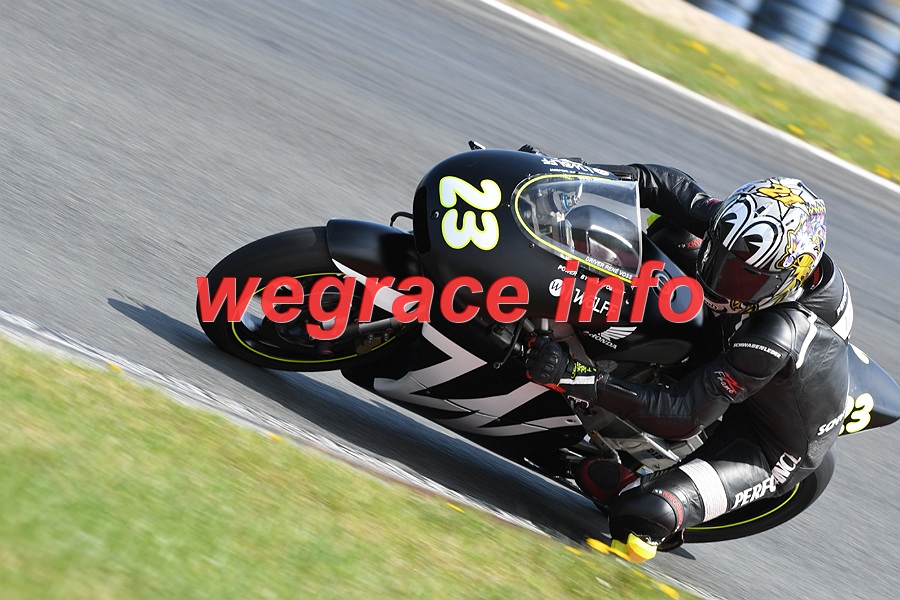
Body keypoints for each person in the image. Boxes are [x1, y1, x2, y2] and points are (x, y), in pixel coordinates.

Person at [525, 164, 853, 562]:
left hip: (767, 443)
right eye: (719, 259)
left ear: (784, 280)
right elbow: (660, 185)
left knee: (642, 515)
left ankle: (632, 484)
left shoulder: (777, 334)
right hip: (733, 337)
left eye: (742, 278)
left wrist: (575, 376)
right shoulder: (747, 232)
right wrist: (563, 176)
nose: (718, 281)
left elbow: (682, 414)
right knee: (675, 233)